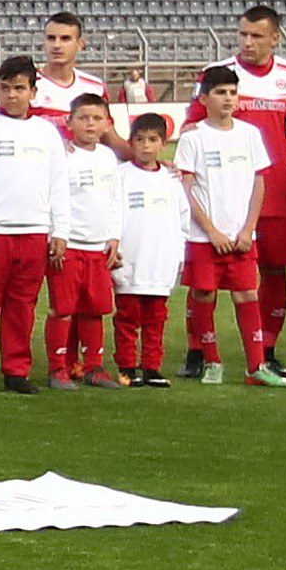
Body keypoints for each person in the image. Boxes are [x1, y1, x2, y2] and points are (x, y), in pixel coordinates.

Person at [179, 5, 286, 381]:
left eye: (256, 36)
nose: (247, 42)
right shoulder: (220, 75)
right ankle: (199, 351)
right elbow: (193, 122)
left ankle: (266, 351)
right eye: (243, 34)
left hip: (274, 188)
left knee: (274, 271)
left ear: (275, 38)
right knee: (204, 278)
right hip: (224, 194)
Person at [0, 55, 69, 395]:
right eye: (4, 88)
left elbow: (58, 183)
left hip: (34, 232)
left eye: (19, 88)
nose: (12, 95)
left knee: (23, 305)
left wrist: (60, 230)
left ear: (33, 91)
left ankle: (16, 371)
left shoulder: (46, 132)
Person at [178, 64, 286, 389]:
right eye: (219, 92)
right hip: (204, 237)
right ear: (204, 98)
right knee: (203, 294)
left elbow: (259, 184)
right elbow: (186, 188)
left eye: (232, 92)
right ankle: (211, 361)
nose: (228, 99)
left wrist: (248, 229)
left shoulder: (250, 134)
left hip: (242, 235)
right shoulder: (194, 137)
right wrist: (212, 231)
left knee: (246, 294)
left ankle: (256, 366)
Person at [45, 94, 124, 390]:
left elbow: (116, 200)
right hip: (70, 244)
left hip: (98, 246)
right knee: (62, 308)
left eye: (96, 118)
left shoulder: (108, 157)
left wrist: (114, 235)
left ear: (106, 123)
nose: (90, 123)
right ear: (69, 122)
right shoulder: (63, 157)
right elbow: (56, 198)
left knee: (95, 308)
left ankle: (93, 366)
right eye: (83, 118)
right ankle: (57, 368)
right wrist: (58, 234)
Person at [111, 113, 183, 388]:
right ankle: (128, 366)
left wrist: (179, 255)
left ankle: (152, 366)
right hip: (130, 259)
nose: (146, 146)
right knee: (128, 318)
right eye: (139, 140)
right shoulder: (121, 176)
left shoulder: (171, 178)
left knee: (156, 318)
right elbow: (113, 213)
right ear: (130, 142)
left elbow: (182, 220)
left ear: (163, 143)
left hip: (160, 261)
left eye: (153, 140)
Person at [32, 12, 118, 149]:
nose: (56, 45)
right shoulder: (26, 85)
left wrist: (153, 165)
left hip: (84, 168)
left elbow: (110, 138)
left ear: (80, 44)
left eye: (65, 38)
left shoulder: (95, 87)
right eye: (51, 38)